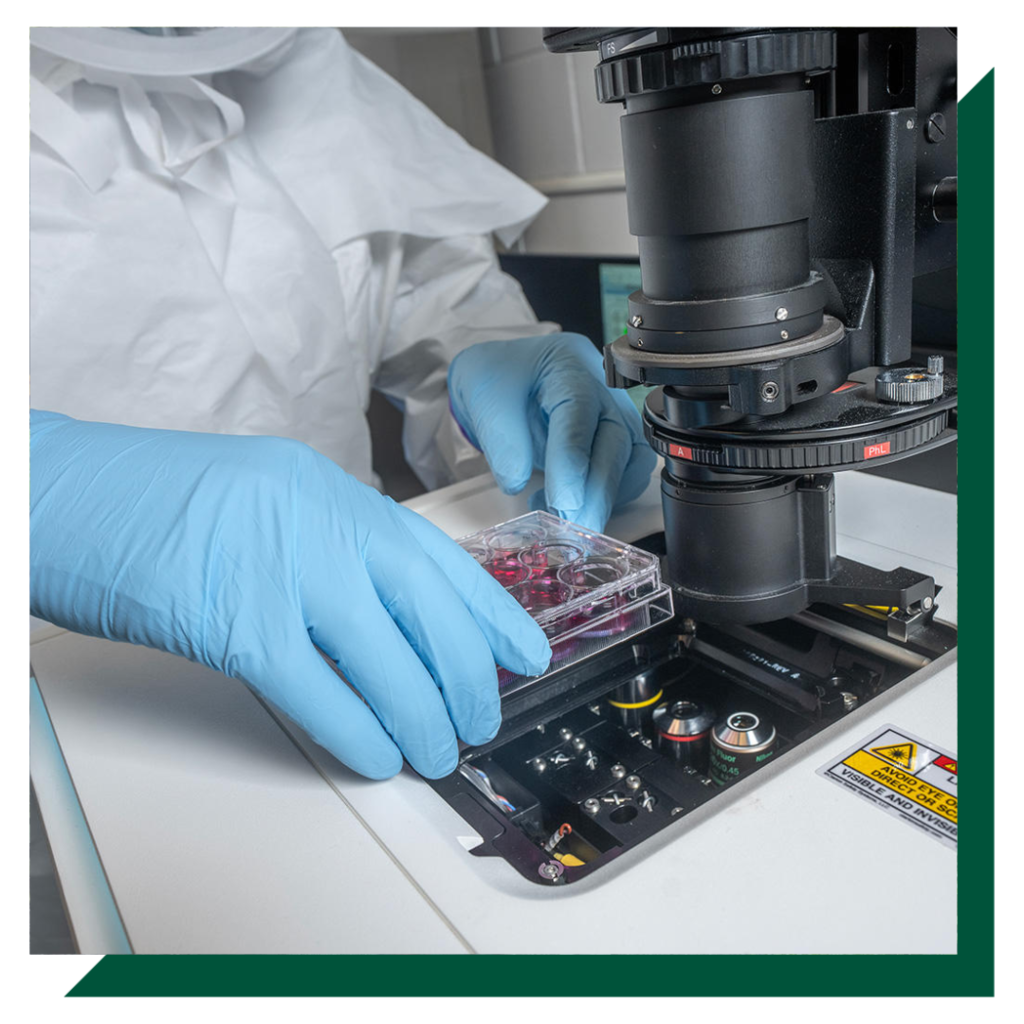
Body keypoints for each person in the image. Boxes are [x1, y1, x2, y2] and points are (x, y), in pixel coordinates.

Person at [29, 26, 656, 780]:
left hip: (368, 624)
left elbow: (439, 312)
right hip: (83, 700)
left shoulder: (307, 70)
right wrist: (48, 494)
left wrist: (490, 390)